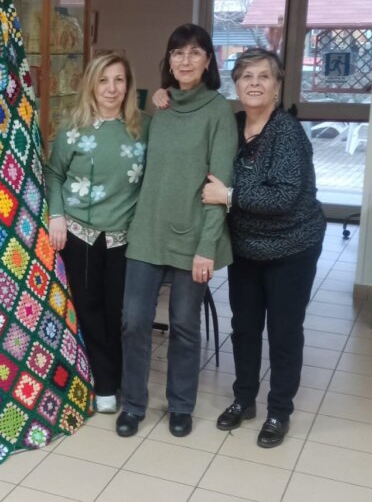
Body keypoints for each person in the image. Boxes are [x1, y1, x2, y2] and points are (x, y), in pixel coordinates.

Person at [116, 24, 237, 439]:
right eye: (177, 53)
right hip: (146, 233)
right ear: (168, 60)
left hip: (192, 238)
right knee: (134, 321)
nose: (185, 61)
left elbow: (218, 187)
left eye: (195, 53)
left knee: (185, 325)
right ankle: (133, 403)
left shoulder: (219, 111)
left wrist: (207, 247)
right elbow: (121, 111)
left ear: (208, 61)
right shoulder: (159, 108)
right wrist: (155, 93)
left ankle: (181, 405)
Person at [202, 48, 326, 448]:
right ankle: (243, 400)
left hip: (292, 247)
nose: (254, 83)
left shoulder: (287, 132)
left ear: (276, 86)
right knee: (244, 327)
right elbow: (193, 126)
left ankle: (279, 410)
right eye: (246, 76)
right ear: (235, 84)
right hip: (246, 249)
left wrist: (229, 196)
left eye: (264, 76)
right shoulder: (232, 124)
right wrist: (162, 97)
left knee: (284, 331)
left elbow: (284, 198)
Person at [45, 52, 148, 415]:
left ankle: (117, 377)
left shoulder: (143, 127)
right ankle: (104, 383)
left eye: (119, 80)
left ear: (128, 86)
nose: (111, 88)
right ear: (91, 83)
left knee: (119, 311)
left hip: (124, 236)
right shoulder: (73, 127)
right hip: (78, 232)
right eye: (104, 80)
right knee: (88, 308)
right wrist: (56, 215)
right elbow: (53, 174)